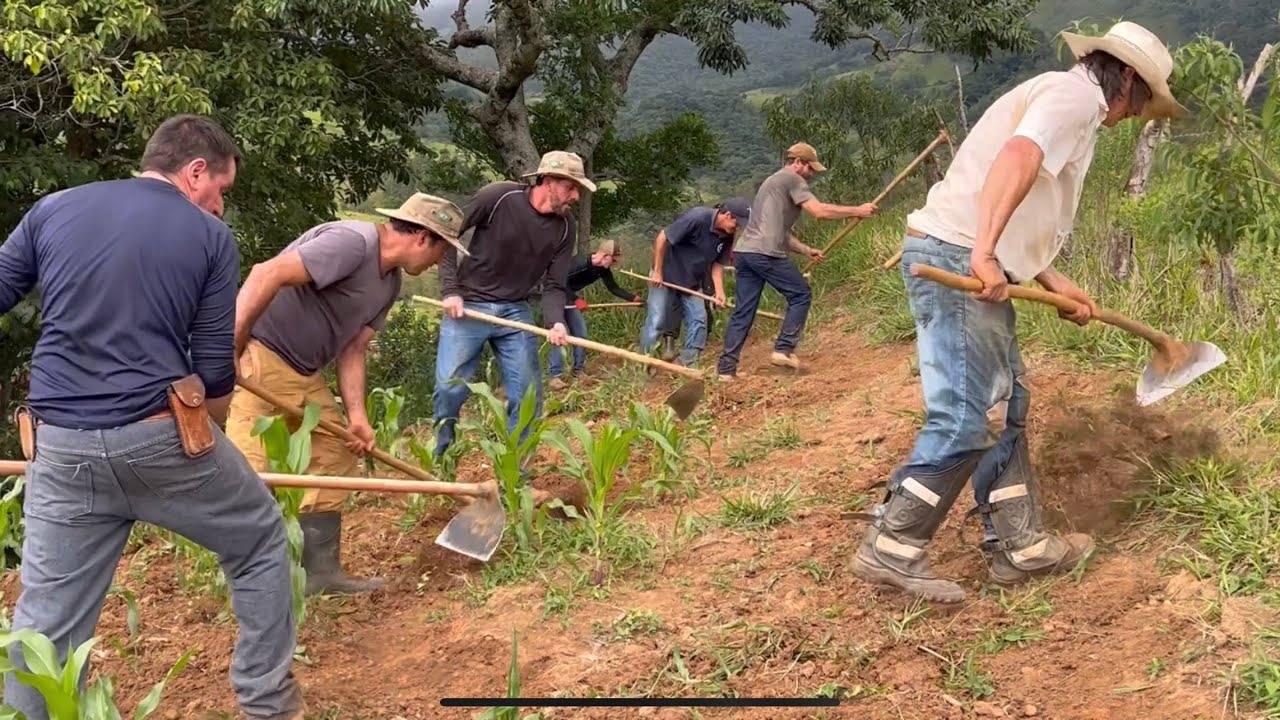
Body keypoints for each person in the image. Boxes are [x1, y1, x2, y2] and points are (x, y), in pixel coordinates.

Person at [851, 22, 1183, 603]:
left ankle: (1020, 546)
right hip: (959, 253)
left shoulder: (1071, 102)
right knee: (966, 416)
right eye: (1145, 99)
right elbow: (1018, 158)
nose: (1139, 114)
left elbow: (1025, 204)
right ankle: (893, 545)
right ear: (1126, 77)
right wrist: (982, 253)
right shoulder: (1075, 95)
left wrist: (1053, 280)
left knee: (1006, 408)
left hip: (973, 254)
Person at [0, 115, 304, 719]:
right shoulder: (210, 238)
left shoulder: (53, 209)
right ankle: (268, 704)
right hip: (160, 437)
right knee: (261, 541)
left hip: (59, 449)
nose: (220, 206)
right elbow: (215, 368)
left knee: (45, 619)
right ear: (195, 173)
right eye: (221, 190)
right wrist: (208, 436)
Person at [226, 193, 467, 596]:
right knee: (249, 476)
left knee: (334, 455)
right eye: (443, 251)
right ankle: (253, 589)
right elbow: (266, 273)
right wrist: (229, 348)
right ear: (424, 238)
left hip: (306, 372)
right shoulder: (351, 243)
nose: (439, 264)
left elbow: (353, 349)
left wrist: (358, 416)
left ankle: (319, 574)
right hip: (263, 360)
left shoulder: (388, 283)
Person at [432, 150, 588, 460]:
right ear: (549, 181)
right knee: (450, 389)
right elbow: (446, 234)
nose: (575, 197)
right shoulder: (498, 197)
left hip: (515, 308)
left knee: (528, 394)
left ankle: (517, 474)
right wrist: (450, 290)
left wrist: (555, 321)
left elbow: (555, 285)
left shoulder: (565, 227)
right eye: (571, 188)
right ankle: (441, 461)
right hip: (469, 307)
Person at [715, 143, 878, 378]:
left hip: (745, 253)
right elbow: (819, 211)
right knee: (800, 294)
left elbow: (776, 230)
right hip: (765, 253)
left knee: (743, 311)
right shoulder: (792, 180)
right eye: (810, 169)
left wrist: (805, 250)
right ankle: (784, 349)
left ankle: (726, 370)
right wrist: (857, 210)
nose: (811, 175)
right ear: (798, 163)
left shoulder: (770, 184)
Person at [639, 199, 750, 367]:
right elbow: (663, 237)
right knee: (657, 320)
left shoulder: (727, 236)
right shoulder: (697, 218)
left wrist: (719, 292)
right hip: (665, 276)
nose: (738, 228)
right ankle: (645, 365)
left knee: (699, 320)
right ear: (727, 216)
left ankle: (688, 365)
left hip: (691, 281)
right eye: (737, 223)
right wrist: (658, 271)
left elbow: (718, 264)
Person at [548, 239, 642, 389]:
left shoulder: (603, 270)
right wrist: (577, 299)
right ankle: (555, 376)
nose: (614, 264)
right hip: (555, 298)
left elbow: (613, 288)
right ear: (605, 256)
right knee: (559, 336)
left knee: (581, 334)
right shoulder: (580, 263)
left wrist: (633, 298)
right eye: (613, 260)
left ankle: (578, 370)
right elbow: (558, 281)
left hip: (570, 300)